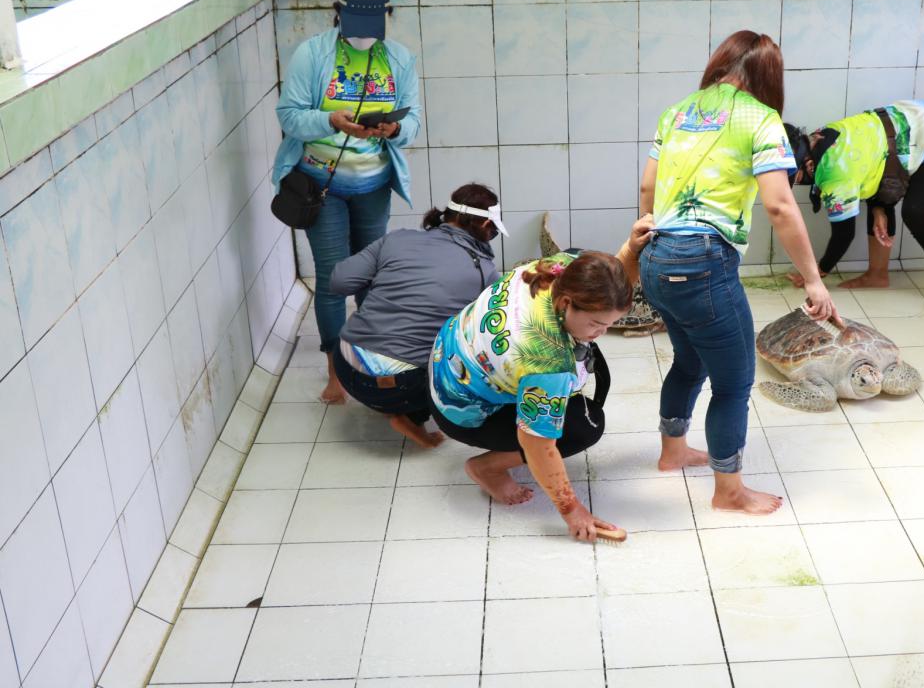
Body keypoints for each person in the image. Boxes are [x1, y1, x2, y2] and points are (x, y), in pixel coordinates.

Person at [637, 30, 842, 517]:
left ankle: (672, 452)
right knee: (733, 382)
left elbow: (648, 188)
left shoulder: (677, 111)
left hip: (656, 256)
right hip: (704, 264)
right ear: (768, 76)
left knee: (689, 362)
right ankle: (729, 491)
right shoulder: (762, 119)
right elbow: (780, 205)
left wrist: (647, 232)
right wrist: (813, 278)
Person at [428, 220, 651, 542]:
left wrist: (630, 249)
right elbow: (537, 443)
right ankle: (486, 468)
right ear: (566, 304)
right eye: (595, 324)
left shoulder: (564, 265)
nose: (602, 333)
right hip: (458, 410)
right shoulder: (546, 360)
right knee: (585, 425)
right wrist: (571, 509)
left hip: (445, 357)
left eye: (609, 324)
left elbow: (611, 282)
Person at [272, 0, 422, 404]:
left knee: (370, 278)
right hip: (322, 185)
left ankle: (372, 364)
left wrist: (395, 129)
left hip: (374, 185)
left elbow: (413, 121)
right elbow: (289, 115)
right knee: (333, 278)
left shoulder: (398, 59)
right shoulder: (313, 55)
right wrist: (330, 121)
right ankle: (336, 372)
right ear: (339, 12)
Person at [327, 183, 504, 448]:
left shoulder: (397, 239)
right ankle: (412, 416)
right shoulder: (485, 271)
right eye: (494, 231)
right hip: (403, 388)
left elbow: (339, 281)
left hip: (344, 363)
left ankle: (386, 401)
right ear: (486, 225)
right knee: (471, 356)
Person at [786, 100, 924, 311]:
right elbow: (869, 169)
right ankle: (877, 275)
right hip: (904, 128)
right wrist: (879, 206)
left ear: (808, 164)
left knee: (917, 213)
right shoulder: (817, 139)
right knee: (880, 198)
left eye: (794, 177)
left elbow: (844, 234)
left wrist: (817, 274)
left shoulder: (835, 175)